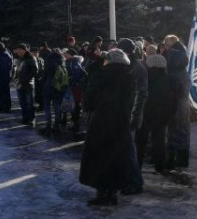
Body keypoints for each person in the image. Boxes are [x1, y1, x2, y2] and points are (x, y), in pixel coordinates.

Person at [79, 49, 135, 206]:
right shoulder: (129, 77)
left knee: (100, 157)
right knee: (117, 156)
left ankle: (103, 192)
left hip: (102, 122)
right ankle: (113, 192)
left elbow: (89, 99)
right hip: (121, 122)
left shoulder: (101, 75)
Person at [137, 54, 176, 173]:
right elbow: (174, 100)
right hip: (162, 115)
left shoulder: (145, 77)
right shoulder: (170, 79)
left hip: (145, 113)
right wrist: (170, 115)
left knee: (140, 142)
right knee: (159, 141)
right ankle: (160, 165)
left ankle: (136, 165)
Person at [117, 38, 147, 195]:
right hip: (126, 114)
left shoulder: (136, 67)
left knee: (129, 151)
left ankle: (135, 183)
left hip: (130, 115)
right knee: (126, 150)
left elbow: (140, 95)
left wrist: (134, 117)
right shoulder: (132, 65)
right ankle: (129, 180)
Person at [162, 35, 191, 169]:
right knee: (183, 129)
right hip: (183, 101)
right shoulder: (183, 64)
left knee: (173, 129)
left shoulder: (172, 58)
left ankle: (170, 160)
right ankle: (182, 159)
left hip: (174, 102)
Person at [63, 48, 87, 138]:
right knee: (74, 105)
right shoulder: (70, 61)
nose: (64, 55)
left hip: (75, 88)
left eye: (66, 54)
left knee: (75, 105)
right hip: (74, 87)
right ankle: (74, 122)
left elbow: (76, 74)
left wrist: (71, 82)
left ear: (70, 54)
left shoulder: (74, 62)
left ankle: (76, 124)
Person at [42, 49, 67, 135]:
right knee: (57, 107)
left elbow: (44, 75)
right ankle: (57, 126)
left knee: (47, 107)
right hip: (59, 88)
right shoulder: (62, 62)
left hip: (48, 87)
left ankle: (48, 126)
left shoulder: (49, 62)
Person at [13, 43, 37, 126]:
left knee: (30, 103)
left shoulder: (31, 58)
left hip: (28, 85)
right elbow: (16, 70)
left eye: (19, 49)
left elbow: (34, 71)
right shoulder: (19, 59)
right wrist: (15, 79)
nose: (18, 51)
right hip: (19, 84)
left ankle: (31, 119)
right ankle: (25, 117)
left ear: (24, 50)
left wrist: (26, 80)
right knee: (22, 103)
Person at [32, 47, 45, 112]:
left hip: (39, 79)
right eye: (34, 52)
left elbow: (42, 69)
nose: (36, 54)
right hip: (32, 79)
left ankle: (41, 106)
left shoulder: (41, 60)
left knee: (40, 94)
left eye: (37, 52)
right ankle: (33, 106)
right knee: (33, 94)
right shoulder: (30, 59)